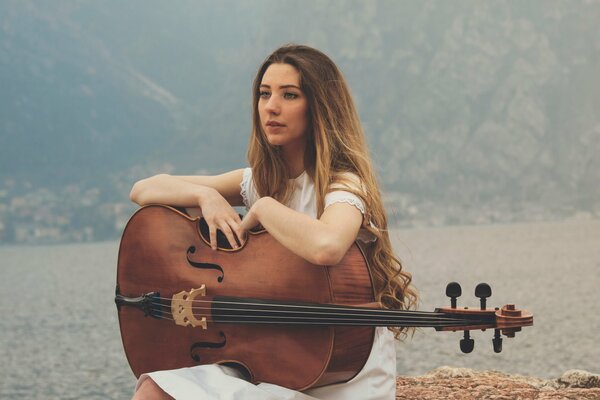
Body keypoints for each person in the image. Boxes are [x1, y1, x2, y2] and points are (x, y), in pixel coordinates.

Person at [128, 44, 417, 400]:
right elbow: (144, 189)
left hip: (340, 379)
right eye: (264, 94)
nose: (271, 107)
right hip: (278, 364)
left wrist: (264, 208)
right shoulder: (261, 180)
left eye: (289, 95)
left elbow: (326, 246)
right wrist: (206, 197)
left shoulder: (344, 184)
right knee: (155, 388)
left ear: (319, 108)